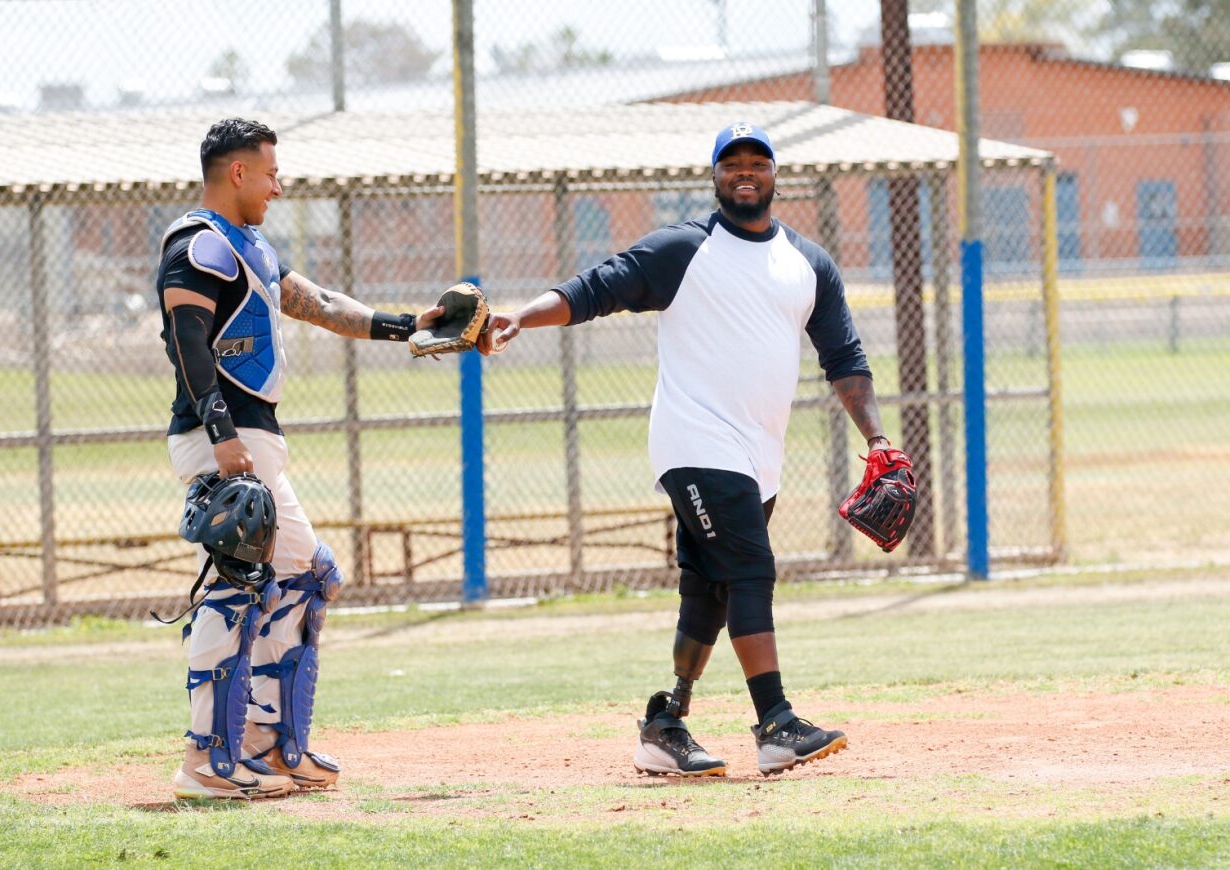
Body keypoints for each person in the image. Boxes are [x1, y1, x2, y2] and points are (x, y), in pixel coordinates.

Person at [479, 122, 900, 777]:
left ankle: (665, 724)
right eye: (730, 161)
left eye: (756, 159)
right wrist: (519, 319)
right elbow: (596, 288)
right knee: (753, 569)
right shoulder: (684, 248)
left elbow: (844, 357)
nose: (744, 169)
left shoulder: (808, 263)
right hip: (695, 442)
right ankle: (777, 722)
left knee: (711, 590)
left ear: (773, 173)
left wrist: (876, 436)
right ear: (714, 176)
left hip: (760, 457)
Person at [157, 117, 442, 799]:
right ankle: (206, 760)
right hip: (224, 439)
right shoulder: (197, 244)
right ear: (237, 173)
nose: (278, 187)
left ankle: (268, 745)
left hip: (255, 439)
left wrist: (409, 325)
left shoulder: (246, 245)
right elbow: (186, 342)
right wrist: (221, 432)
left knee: (307, 579)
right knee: (238, 587)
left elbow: (317, 304)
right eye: (271, 173)